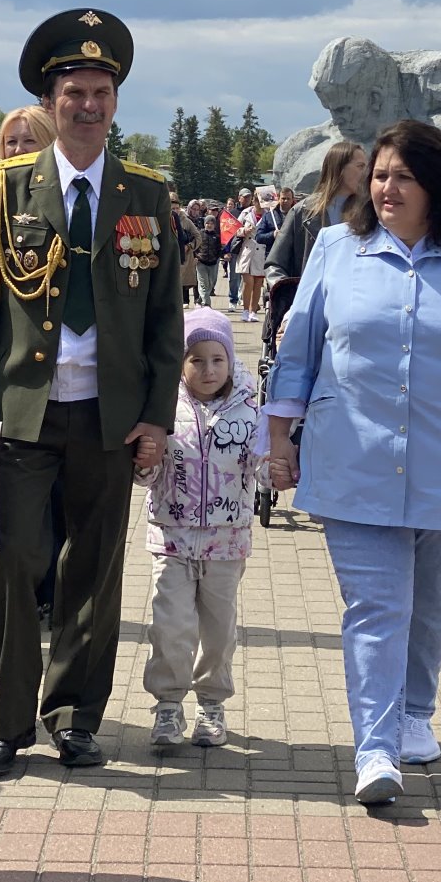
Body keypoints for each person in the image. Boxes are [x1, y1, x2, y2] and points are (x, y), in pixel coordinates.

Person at [265, 119, 441, 805]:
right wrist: (278, 438)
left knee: (432, 597)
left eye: (403, 176)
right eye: (380, 175)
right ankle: (375, 747)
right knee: (376, 603)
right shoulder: (339, 248)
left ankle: (414, 710)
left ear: (438, 185)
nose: (386, 187)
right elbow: (300, 349)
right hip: (353, 454)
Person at [0, 8, 183, 776]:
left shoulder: (147, 194)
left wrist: (156, 418)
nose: (88, 105)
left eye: (101, 92)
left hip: (110, 414)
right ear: (50, 103)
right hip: (27, 406)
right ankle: (10, 718)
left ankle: (77, 715)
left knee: (95, 565)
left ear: (116, 101)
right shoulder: (8, 185)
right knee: (14, 561)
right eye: (75, 92)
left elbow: (163, 321)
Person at [137, 307, 258, 752]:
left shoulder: (250, 408)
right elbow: (146, 475)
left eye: (217, 359)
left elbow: (261, 465)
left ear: (230, 360)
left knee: (219, 629)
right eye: (196, 360)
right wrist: (146, 462)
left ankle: (212, 703)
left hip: (228, 542)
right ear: (180, 363)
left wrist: (277, 465)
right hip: (172, 537)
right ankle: (168, 704)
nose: (208, 370)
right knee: (170, 625)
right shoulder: (163, 406)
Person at [0, 105, 62, 626]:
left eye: (27, 141)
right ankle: (28, 591)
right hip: (14, 382)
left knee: (61, 507)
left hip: (71, 386)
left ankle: (55, 591)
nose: (16, 151)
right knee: (17, 516)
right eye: (9, 143)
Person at [264, 140, 367, 288]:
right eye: (360, 166)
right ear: (339, 168)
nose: (367, 173)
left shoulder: (370, 214)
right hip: (312, 306)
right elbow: (275, 265)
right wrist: (290, 299)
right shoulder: (302, 211)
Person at [233, 189, 267, 322]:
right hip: (247, 250)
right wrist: (243, 231)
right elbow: (235, 228)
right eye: (256, 200)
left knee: (258, 283)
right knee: (248, 282)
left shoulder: (269, 214)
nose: (258, 203)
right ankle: (245, 310)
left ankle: (253, 311)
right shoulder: (246, 213)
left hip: (261, 251)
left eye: (261, 201)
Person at [170, 189, 201, 306]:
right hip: (168, 257)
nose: (175, 211)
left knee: (179, 284)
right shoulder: (162, 219)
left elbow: (198, 236)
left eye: (177, 208)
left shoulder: (185, 220)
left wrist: (189, 246)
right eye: (172, 209)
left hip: (183, 258)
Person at [193, 200, 224, 307]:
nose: (209, 225)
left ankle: (200, 300)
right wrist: (195, 257)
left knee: (211, 283)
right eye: (207, 223)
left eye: (211, 223)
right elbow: (194, 246)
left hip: (213, 263)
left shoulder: (217, 236)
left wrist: (222, 256)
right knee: (203, 283)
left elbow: (220, 249)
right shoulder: (199, 234)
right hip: (201, 262)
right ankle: (207, 304)